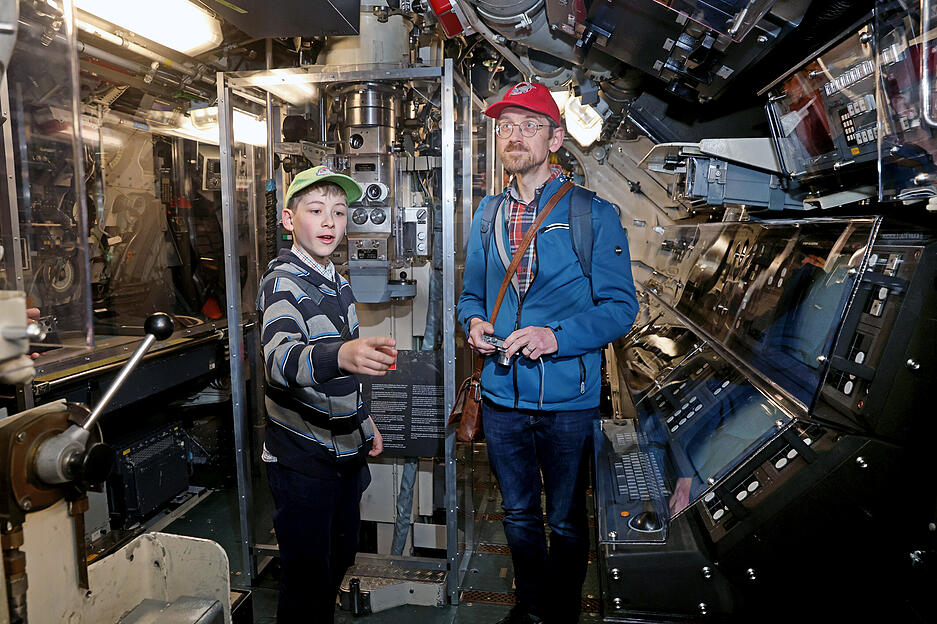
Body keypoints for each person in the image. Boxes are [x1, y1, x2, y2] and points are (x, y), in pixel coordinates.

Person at [457, 82, 639, 624]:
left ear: (556, 138)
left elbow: (619, 308)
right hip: (501, 395)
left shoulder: (592, 215)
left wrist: (553, 337)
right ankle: (529, 606)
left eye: (529, 125)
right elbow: (471, 293)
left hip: (568, 400)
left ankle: (561, 613)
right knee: (516, 514)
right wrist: (473, 322)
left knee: (563, 518)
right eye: (506, 126)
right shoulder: (487, 214)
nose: (514, 136)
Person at [258, 165, 397, 623]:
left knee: (338, 562)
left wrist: (364, 419)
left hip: (345, 453)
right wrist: (339, 356)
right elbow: (280, 363)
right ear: (288, 219)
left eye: (338, 212)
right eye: (315, 211)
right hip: (303, 461)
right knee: (306, 581)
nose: (329, 223)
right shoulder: (283, 284)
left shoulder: (337, 281)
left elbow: (347, 378)